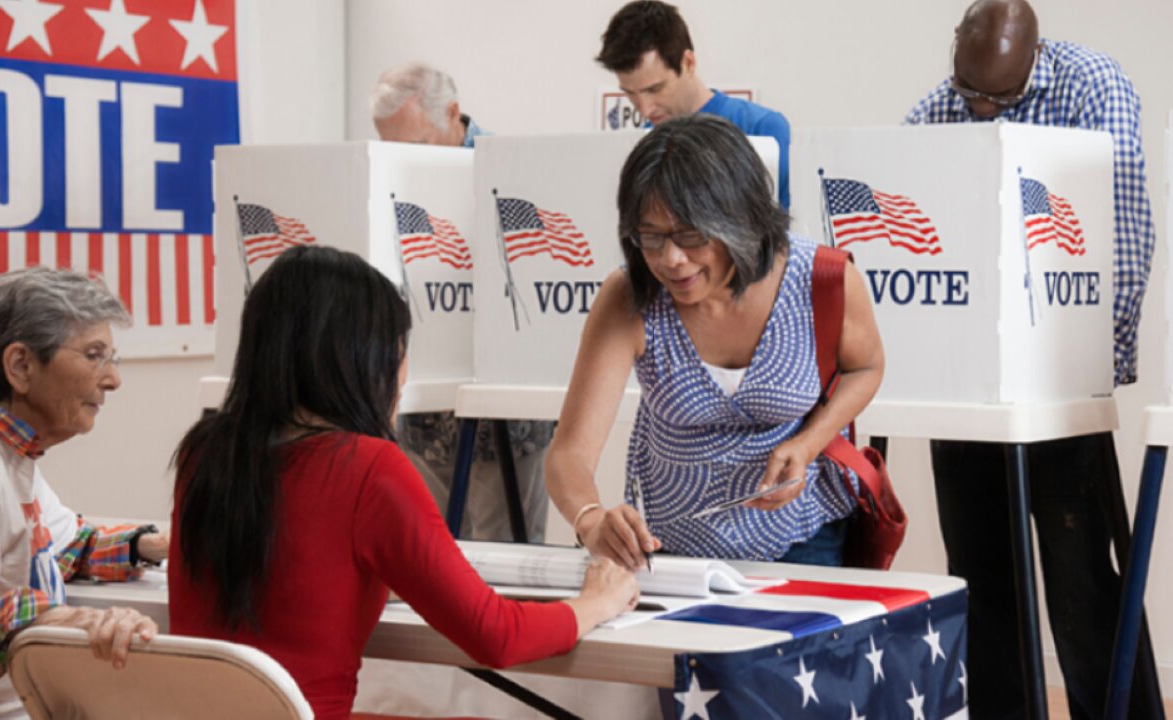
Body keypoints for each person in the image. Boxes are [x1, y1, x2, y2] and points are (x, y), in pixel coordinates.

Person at [167, 246, 638, 718]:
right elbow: (497, 635)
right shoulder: (368, 468)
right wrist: (596, 603)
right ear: (359, 360)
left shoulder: (203, 453)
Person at [904, 2, 1158, 717]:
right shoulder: (932, 112)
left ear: (1036, 58)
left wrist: (1093, 367)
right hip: (966, 383)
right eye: (970, 93)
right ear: (955, 52)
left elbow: (1126, 226)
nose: (982, 109)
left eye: (1001, 99)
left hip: (1056, 376)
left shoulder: (1093, 86)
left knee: (1080, 577)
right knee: (980, 573)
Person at [545, 114, 884, 569]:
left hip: (806, 536)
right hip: (671, 549)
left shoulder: (822, 279)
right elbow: (570, 452)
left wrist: (806, 444)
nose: (671, 260)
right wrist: (589, 519)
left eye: (691, 235)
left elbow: (866, 368)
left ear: (741, 220)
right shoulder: (629, 297)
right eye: (650, 237)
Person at [0, 267, 167, 719]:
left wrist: (152, 546)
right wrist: (72, 619)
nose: (113, 379)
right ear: (21, 365)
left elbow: (66, 548)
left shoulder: (6, 450)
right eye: (95, 355)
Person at [370, 61, 555, 542]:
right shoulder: (387, 177)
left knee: (505, 558)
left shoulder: (511, 170)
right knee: (429, 549)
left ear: (453, 113)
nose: (402, 159)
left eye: (415, 146)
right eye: (389, 148)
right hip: (423, 413)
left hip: (503, 415)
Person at [596, 0, 793, 209]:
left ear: (688, 63)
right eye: (630, 94)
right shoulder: (642, 144)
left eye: (655, 89)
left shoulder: (762, 129)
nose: (645, 109)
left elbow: (785, 233)